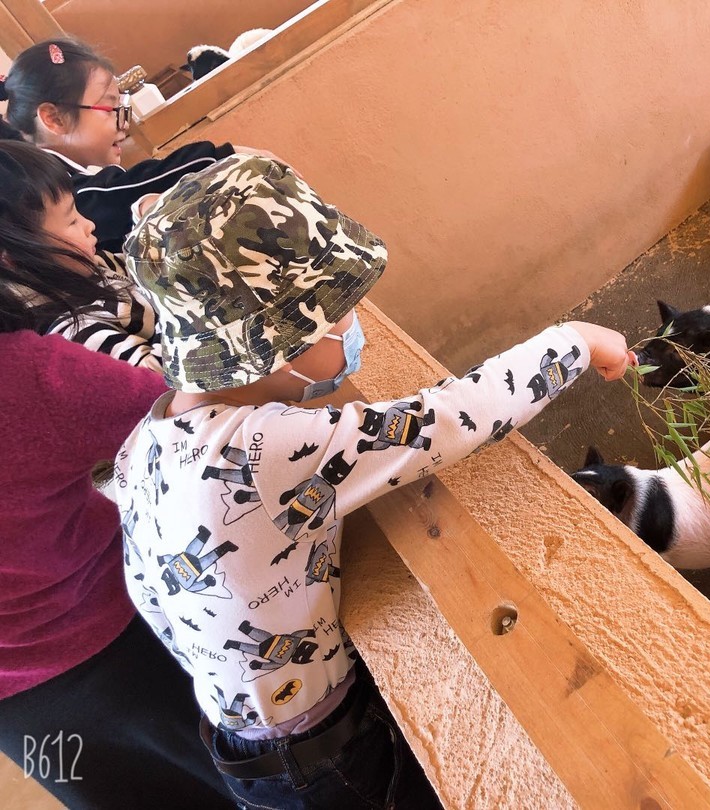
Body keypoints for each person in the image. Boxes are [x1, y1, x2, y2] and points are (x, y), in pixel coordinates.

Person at [114, 152, 634, 807]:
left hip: (246, 742)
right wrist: (578, 342)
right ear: (281, 342)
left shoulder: (152, 438)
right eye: (338, 315)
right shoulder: (263, 451)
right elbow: (450, 419)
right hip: (327, 752)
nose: (352, 326)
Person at [0, 159, 233, 808]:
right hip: (119, 645)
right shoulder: (34, 375)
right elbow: (204, 409)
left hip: (26, 724)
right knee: (252, 785)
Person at [0, 38, 250, 253]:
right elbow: (119, 190)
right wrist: (219, 156)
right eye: (110, 109)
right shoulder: (61, 193)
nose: (124, 124)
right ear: (55, 119)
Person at [0, 139, 161, 369]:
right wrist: (185, 304)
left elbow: (144, 265)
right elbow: (158, 377)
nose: (89, 225)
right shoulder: (74, 332)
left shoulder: (87, 265)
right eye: (72, 220)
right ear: (12, 258)